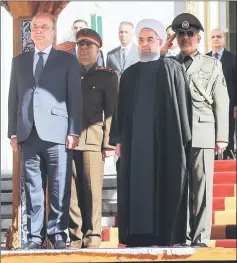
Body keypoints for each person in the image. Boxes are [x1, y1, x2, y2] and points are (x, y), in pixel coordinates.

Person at [109, 19, 192, 247]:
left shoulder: (173, 69)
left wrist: (186, 138)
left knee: (168, 182)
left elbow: (184, 106)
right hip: (136, 145)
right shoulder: (130, 73)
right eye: (142, 40)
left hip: (167, 142)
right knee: (137, 187)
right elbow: (120, 109)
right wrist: (116, 140)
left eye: (150, 40)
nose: (145, 45)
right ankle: (138, 236)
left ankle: (167, 235)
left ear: (160, 42)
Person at [8, 12, 82, 249]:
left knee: (59, 184)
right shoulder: (19, 61)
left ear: (53, 32)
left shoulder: (67, 60)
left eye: (43, 27)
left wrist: (74, 131)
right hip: (28, 133)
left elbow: (75, 98)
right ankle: (35, 236)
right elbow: (13, 98)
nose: (38, 31)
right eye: (35, 27)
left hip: (58, 133)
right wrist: (12, 132)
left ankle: (58, 234)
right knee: (33, 188)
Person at [168, 13, 229, 247]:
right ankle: (182, 237)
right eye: (181, 34)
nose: (186, 38)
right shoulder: (169, 64)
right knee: (180, 188)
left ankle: (200, 238)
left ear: (198, 37)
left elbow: (221, 101)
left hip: (202, 132)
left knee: (202, 189)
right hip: (176, 135)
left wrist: (222, 137)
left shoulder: (212, 64)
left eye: (190, 33)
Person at [66, 29, 118, 248]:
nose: (84, 49)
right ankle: (75, 237)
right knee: (71, 194)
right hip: (68, 141)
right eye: (80, 45)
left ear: (98, 50)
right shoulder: (68, 72)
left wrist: (109, 143)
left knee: (92, 190)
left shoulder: (107, 75)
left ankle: (93, 235)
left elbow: (111, 111)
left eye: (89, 45)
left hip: (94, 141)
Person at [206, 28, 236, 159]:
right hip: (208, 105)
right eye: (212, 37)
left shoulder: (233, 59)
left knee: (228, 131)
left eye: (218, 36)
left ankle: (228, 157)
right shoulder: (204, 58)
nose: (215, 39)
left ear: (224, 39)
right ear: (209, 40)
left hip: (229, 104)